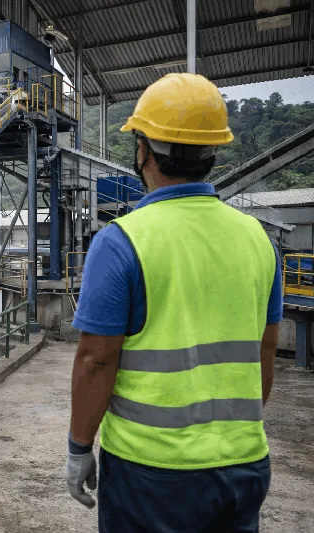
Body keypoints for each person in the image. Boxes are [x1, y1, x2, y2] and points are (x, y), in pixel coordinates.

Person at [65, 72, 282, 532]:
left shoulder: (120, 241)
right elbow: (265, 351)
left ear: (142, 149)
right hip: (244, 464)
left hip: (152, 472)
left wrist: (79, 447)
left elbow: (96, 361)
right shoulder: (258, 240)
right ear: (213, 151)